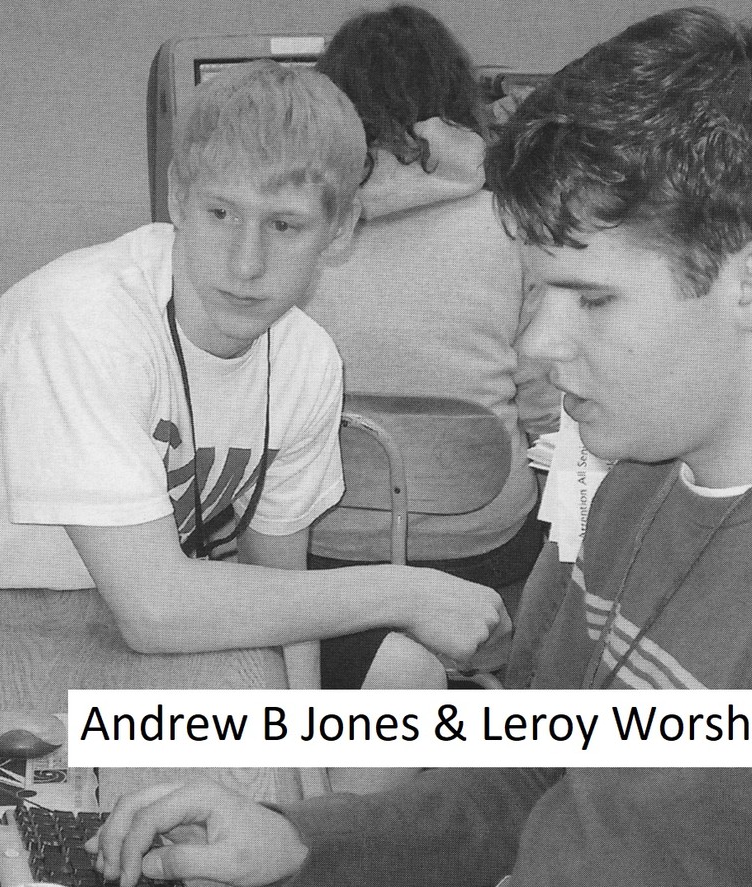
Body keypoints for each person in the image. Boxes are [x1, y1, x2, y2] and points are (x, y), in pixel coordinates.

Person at [88, 8, 752, 886]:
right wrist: (300, 840)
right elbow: (530, 777)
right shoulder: (639, 482)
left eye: (591, 298)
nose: (540, 344)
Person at [0, 61, 509, 692]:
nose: (246, 263)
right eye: (220, 214)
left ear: (340, 228)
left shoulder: (308, 359)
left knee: (407, 675)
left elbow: (278, 586)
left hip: (113, 613)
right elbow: (154, 611)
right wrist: (403, 591)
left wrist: (300, 735)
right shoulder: (81, 316)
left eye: (284, 226)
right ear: (178, 198)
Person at [305, 7, 558, 671]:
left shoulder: (291, 227)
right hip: (482, 542)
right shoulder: (516, 222)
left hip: (323, 544)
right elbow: (547, 411)